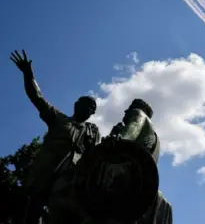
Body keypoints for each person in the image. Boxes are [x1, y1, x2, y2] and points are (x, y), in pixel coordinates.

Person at [10, 50, 101, 224]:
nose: (91, 110)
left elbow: (96, 157)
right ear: (77, 105)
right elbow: (37, 97)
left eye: (93, 109)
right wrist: (28, 75)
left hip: (71, 184)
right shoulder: (58, 119)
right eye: (88, 106)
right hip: (44, 177)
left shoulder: (92, 131)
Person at [110, 99, 172, 224]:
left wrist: (118, 138)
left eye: (129, 108)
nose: (125, 111)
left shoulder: (138, 114)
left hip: (127, 177)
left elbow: (133, 129)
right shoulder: (154, 136)